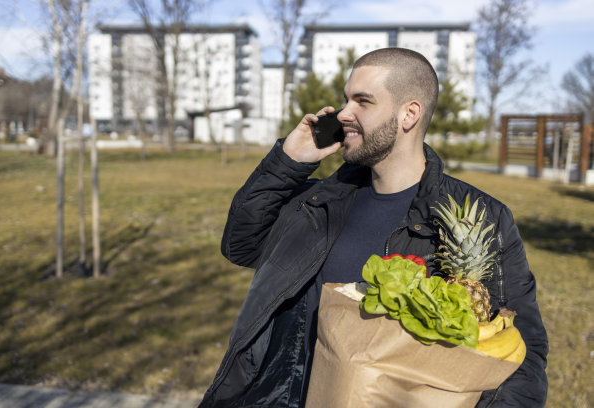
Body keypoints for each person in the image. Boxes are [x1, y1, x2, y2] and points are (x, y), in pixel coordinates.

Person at [199, 48, 548, 408]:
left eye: (362, 101)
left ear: (408, 114)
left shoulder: (475, 217)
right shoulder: (317, 201)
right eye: (346, 99)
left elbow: (521, 355)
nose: (343, 113)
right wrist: (288, 161)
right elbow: (240, 246)